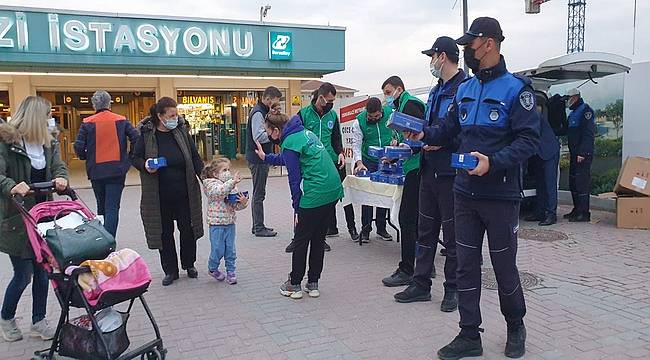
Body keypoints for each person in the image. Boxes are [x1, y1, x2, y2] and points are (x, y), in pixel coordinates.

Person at [407, 17, 540, 359]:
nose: (466, 49)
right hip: (464, 193)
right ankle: (469, 334)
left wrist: (493, 162)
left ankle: (515, 325)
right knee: (465, 264)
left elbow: (528, 141)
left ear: (490, 43)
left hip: (500, 196)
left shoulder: (516, 90)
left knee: (504, 266)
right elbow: (448, 130)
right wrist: (423, 134)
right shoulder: (465, 90)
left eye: (471, 43)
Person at [394, 37, 466, 313]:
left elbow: (460, 128)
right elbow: (430, 125)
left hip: (449, 171)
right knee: (425, 231)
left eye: (432, 56)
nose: (431, 62)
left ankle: (454, 289)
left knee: (452, 235)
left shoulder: (464, 88)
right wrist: (414, 135)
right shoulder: (437, 90)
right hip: (429, 166)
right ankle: (421, 283)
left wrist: (440, 141)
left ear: (443, 56)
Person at [0, 96, 69, 342]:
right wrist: (11, 185)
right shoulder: (7, 142)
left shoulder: (48, 142)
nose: (50, 119)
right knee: (23, 275)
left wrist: (61, 178)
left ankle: (38, 320)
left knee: (43, 273)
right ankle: (6, 317)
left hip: (44, 217)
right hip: (17, 218)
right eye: (47, 114)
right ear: (35, 117)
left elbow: (59, 166)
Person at [254, 111, 343, 300]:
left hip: (315, 194)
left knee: (301, 240)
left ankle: (294, 284)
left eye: (269, 132)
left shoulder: (289, 142)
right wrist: (266, 157)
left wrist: (297, 209)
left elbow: (294, 181)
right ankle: (313, 283)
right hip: (333, 190)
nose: (269, 137)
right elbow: (289, 159)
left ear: (276, 131)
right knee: (318, 239)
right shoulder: (305, 133)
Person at [132, 97, 204, 287]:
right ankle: (170, 270)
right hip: (158, 195)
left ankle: (189, 264)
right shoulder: (147, 134)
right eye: (171, 115)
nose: (175, 118)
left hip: (184, 192)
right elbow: (135, 157)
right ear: (160, 116)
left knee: (188, 229)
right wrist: (145, 165)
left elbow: (194, 156)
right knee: (164, 233)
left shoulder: (181, 130)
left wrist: (206, 178)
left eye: (176, 114)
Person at [297, 82, 357, 250]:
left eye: (334, 100)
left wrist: (340, 152)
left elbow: (336, 138)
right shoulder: (303, 115)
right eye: (329, 100)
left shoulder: (332, 116)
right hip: (314, 164)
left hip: (333, 160)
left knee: (344, 194)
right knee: (320, 200)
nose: (331, 103)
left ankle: (352, 227)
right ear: (320, 98)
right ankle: (322, 235)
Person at [380, 76, 425, 287]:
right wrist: (395, 152)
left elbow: (417, 139)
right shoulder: (401, 107)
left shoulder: (411, 104)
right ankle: (424, 265)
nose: (387, 97)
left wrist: (400, 150)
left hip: (419, 168)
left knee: (407, 219)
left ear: (399, 88)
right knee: (416, 220)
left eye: (389, 92)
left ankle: (408, 268)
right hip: (414, 167)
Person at [74, 90, 138, 238]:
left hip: (96, 170)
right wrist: (129, 158)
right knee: (112, 208)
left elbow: (78, 146)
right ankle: (109, 241)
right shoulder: (121, 120)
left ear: (94, 105)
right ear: (110, 103)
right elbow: (136, 138)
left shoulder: (87, 123)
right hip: (117, 170)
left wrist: (84, 157)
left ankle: (102, 239)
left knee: (101, 207)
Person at [352, 97, 398, 243]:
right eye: (371, 117)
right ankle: (365, 230)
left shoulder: (391, 113)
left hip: (386, 159)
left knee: (383, 193)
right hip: (368, 161)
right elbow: (356, 144)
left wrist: (396, 141)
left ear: (381, 112)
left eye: (377, 116)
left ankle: (381, 228)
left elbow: (398, 132)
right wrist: (359, 162)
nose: (374, 119)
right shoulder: (359, 121)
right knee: (368, 195)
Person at [202, 158, 248, 285]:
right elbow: (219, 192)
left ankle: (231, 271)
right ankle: (213, 268)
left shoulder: (230, 185)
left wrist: (243, 202)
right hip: (216, 224)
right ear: (216, 174)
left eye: (229, 169)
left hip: (230, 223)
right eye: (224, 170)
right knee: (218, 249)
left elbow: (234, 205)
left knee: (230, 250)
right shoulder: (210, 184)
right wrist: (232, 182)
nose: (228, 172)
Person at [246, 86, 282, 238]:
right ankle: (259, 227)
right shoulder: (258, 113)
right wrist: (274, 134)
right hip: (258, 158)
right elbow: (258, 135)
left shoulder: (262, 112)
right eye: (274, 102)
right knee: (259, 193)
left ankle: (257, 225)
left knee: (259, 192)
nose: (275, 105)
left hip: (259, 157)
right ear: (267, 99)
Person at [524, 99, 561, 226]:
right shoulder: (528, 116)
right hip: (539, 153)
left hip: (549, 151)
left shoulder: (532, 117)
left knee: (549, 184)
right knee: (540, 184)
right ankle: (539, 212)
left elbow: (528, 137)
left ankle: (551, 214)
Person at [564, 88, 595, 223]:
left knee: (582, 183)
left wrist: (583, 152)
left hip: (582, 154)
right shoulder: (573, 113)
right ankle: (576, 210)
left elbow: (588, 134)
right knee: (573, 182)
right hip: (574, 153)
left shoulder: (585, 111)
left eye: (569, 98)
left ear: (575, 97)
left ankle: (584, 213)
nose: (568, 101)